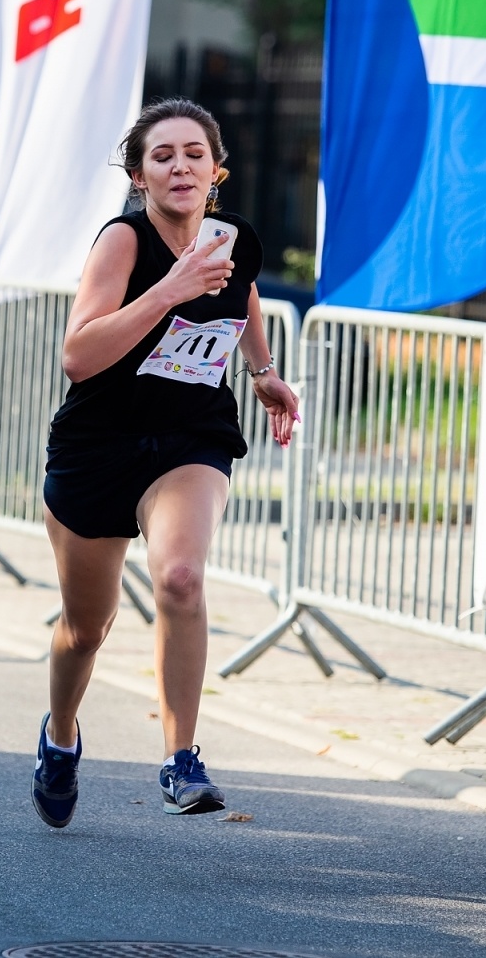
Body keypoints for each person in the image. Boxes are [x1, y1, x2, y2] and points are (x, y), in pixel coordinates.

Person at [31, 98, 300, 827]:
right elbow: (78, 356)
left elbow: (243, 295)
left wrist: (262, 372)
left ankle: (182, 758)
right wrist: (170, 289)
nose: (180, 167)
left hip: (190, 436)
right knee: (85, 629)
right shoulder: (122, 242)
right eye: (162, 156)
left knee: (180, 578)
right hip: (100, 446)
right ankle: (61, 736)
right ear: (138, 176)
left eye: (193, 154)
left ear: (216, 171)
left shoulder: (232, 238)